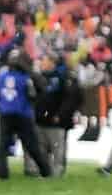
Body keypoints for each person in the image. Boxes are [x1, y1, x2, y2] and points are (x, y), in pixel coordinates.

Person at [0, 51, 50, 178]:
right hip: (23, 113)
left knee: (3, 144)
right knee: (32, 145)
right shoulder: (26, 78)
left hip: (6, 112)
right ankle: (45, 170)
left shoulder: (2, 76)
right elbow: (34, 94)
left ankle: (2, 171)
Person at [34, 50, 79, 178]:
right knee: (42, 148)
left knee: (57, 148)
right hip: (41, 119)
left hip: (56, 120)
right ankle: (45, 171)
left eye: (44, 60)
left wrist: (61, 115)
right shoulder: (39, 77)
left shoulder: (63, 78)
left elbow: (70, 99)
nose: (42, 63)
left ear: (52, 63)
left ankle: (58, 172)